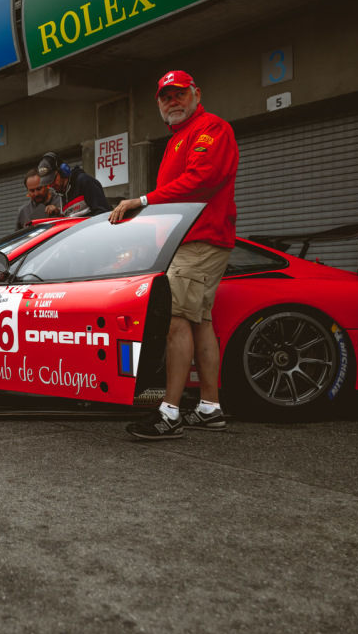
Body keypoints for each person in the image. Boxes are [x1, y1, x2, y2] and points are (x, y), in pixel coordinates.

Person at [110, 70, 238, 440]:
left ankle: (169, 413)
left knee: (176, 320)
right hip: (188, 241)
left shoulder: (211, 129)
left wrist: (143, 200)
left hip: (199, 240)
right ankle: (210, 408)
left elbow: (201, 179)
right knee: (199, 321)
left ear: (196, 93)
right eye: (166, 97)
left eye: (179, 94)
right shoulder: (178, 139)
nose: (173, 102)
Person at [34, 152, 109, 218]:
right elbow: (72, 216)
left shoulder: (85, 181)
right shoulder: (61, 193)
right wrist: (58, 212)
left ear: (62, 171)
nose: (51, 185)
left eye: (52, 179)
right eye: (48, 182)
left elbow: (103, 214)